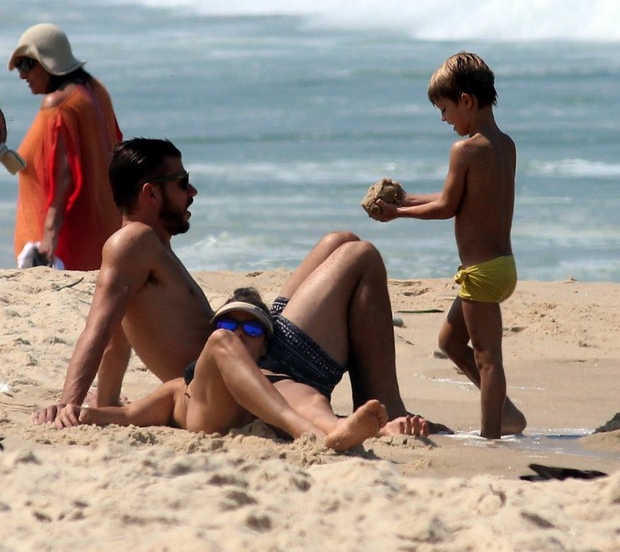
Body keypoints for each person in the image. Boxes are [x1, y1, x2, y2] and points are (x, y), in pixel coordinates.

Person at [34, 137, 446, 437]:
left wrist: (105, 402)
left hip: (255, 351)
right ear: (150, 193)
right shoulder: (132, 243)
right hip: (255, 373)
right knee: (362, 256)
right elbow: (100, 327)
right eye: (182, 183)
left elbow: (117, 333)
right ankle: (387, 406)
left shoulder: (146, 250)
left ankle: (376, 405)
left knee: (339, 241)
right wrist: (72, 402)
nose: (192, 192)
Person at [371, 52, 526, 440]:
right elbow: (456, 197)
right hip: (500, 266)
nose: (444, 119)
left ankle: (493, 434)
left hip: (481, 273)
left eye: (444, 109)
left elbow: (446, 207)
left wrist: (397, 214)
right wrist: (404, 198)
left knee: (487, 358)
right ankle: (504, 410)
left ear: (467, 101)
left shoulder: (466, 150)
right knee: (450, 341)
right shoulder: (505, 145)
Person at [58, 288, 389, 452]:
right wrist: (85, 414)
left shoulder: (275, 380)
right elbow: (129, 416)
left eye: (254, 329)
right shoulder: (181, 383)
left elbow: (308, 404)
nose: (240, 332)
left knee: (306, 394)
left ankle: (337, 432)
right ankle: (308, 433)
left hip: (257, 402)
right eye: (231, 323)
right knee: (225, 347)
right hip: (206, 413)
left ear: (264, 346)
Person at [8, 23, 122, 270]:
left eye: (26, 65)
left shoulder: (58, 106)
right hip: (103, 229)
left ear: (48, 62)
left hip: (69, 244)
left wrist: (49, 238)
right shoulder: (94, 91)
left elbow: (63, 177)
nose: (21, 75)